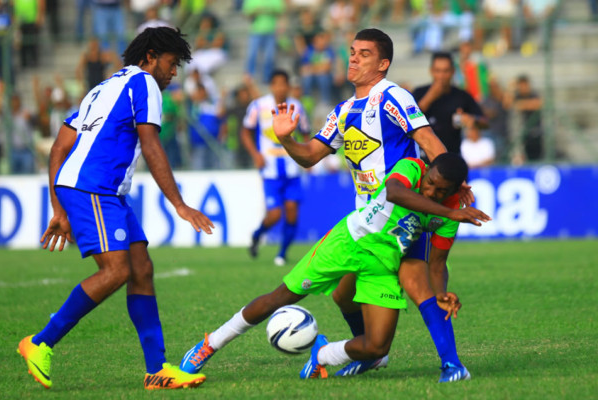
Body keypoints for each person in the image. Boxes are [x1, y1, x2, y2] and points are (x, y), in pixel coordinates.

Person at [250, 28, 476, 379]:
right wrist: (287, 139)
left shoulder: (393, 95)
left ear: (383, 63)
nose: (353, 57)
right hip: (366, 224)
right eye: (352, 51)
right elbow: (310, 156)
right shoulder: (344, 110)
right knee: (343, 296)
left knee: (418, 284)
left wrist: (454, 182)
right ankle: (368, 352)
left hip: (403, 210)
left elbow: (427, 138)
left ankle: (452, 365)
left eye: (363, 53)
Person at [17, 27, 214, 390]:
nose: (173, 73)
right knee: (116, 271)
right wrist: (180, 204)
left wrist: (58, 206)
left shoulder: (104, 88)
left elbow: (59, 147)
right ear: (151, 56)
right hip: (95, 188)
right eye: (171, 64)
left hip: (101, 191)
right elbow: (151, 144)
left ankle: (157, 369)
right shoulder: (144, 84)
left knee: (141, 270)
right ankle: (40, 342)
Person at [179, 153, 490, 382]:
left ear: (454, 192)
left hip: (382, 266)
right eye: (430, 183)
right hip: (347, 243)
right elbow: (395, 193)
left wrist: (442, 293)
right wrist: (450, 214)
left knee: (377, 346)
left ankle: (323, 354)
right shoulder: (412, 167)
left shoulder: (451, 214)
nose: (431, 191)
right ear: (428, 170)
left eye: (441, 191)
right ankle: (210, 344)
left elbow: (437, 264)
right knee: (280, 298)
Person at [241, 69, 311, 266]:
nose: (280, 88)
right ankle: (257, 235)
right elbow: (245, 132)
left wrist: (308, 156)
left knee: (291, 212)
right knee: (274, 215)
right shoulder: (258, 106)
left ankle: (281, 253)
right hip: (270, 171)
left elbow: (306, 133)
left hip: (292, 169)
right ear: (271, 86)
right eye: (276, 84)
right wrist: (256, 154)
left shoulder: (297, 107)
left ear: (288, 86)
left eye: (284, 84)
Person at [413, 51, 488, 158]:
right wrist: (429, 98)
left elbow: (485, 122)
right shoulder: (419, 92)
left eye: (446, 71)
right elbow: (407, 120)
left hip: (452, 157)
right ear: (431, 71)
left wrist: (471, 120)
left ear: (453, 71)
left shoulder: (461, 95)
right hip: (423, 158)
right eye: (438, 71)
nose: (442, 76)